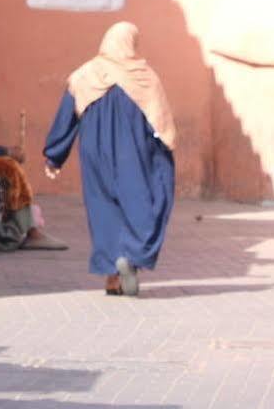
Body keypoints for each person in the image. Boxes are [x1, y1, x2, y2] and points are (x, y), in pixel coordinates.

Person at [42, 22, 177, 296]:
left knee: (103, 209)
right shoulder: (144, 77)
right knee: (141, 205)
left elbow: (67, 117)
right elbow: (160, 125)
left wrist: (54, 156)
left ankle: (112, 276)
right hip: (134, 156)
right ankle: (132, 257)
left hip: (95, 154)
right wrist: (163, 156)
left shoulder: (84, 75)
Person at [0, 78, 66, 251]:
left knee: (10, 168)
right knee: (12, 169)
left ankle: (21, 228)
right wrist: (7, 153)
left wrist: (6, 151)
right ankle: (27, 231)